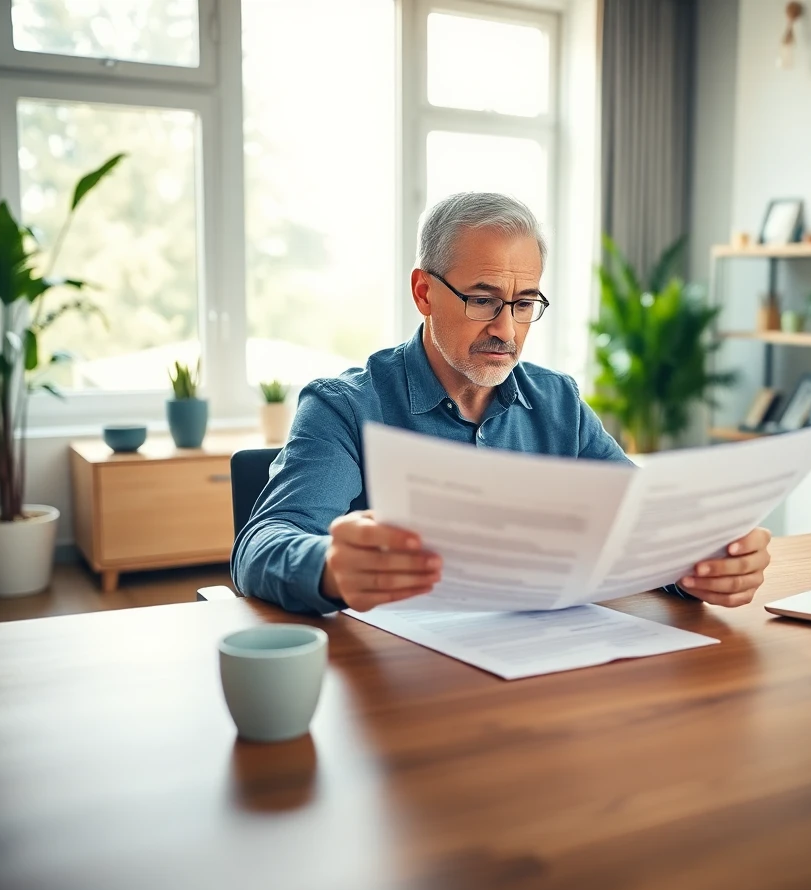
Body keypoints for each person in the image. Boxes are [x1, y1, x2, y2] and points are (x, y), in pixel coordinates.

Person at [232, 192, 772, 615]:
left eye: (524, 302)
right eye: (483, 300)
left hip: (540, 672)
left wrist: (698, 561)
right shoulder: (346, 407)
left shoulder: (558, 402)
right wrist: (328, 565)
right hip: (399, 685)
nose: (506, 329)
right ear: (424, 292)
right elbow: (261, 543)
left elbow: (642, 522)